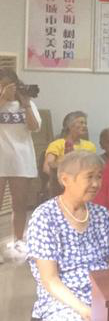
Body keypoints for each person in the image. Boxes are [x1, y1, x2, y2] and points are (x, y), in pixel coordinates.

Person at [27, 151, 109, 321]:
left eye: (99, 176)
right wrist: (83, 309)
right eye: (89, 177)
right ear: (65, 179)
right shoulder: (45, 217)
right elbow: (50, 280)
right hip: (63, 299)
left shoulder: (102, 214)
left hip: (102, 293)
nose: (96, 183)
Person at [0, 68, 41, 262]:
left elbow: (34, 127)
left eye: (10, 85)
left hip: (21, 159)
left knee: (20, 203)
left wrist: (26, 105)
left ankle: (18, 240)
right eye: (3, 85)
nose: (8, 88)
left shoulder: (26, 103)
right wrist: (2, 99)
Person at [43, 111, 97, 176]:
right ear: (69, 126)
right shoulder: (56, 144)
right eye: (81, 123)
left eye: (85, 123)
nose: (84, 126)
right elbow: (47, 168)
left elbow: (95, 167)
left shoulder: (90, 145)